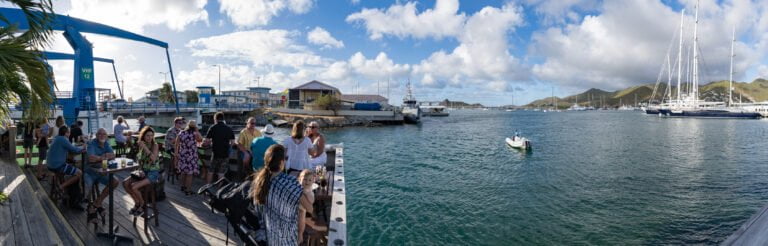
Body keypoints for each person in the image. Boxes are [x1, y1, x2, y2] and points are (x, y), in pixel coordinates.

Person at [250, 145, 313, 246]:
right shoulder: (289, 183)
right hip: (286, 239)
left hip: (269, 235)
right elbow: (310, 208)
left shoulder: (259, 181)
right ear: (281, 162)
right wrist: (307, 189)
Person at [123, 126, 161, 215]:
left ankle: (143, 204)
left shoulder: (154, 145)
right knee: (125, 183)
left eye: (151, 135)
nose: (150, 138)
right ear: (143, 136)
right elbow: (140, 161)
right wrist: (139, 169)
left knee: (133, 186)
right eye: (147, 135)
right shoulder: (142, 145)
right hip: (143, 172)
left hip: (153, 173)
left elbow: (153, 159)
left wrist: (145, 147)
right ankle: (137, 202)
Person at [84, 128, 119, 224]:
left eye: (104, 134)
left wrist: (99, 158)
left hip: (101, 172)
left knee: (115, 181)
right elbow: (91, 158)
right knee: (88, 188)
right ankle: (93, 208)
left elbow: (113, 155)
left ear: (107, 136)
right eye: (100, 134)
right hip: (90, 172)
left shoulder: (106, 143)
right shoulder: (92, 144)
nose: (102, 135)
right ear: (96, 135)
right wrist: (103, 157)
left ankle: (96, 204)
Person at [46, 126, 86, 192]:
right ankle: (60, 187)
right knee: (79, 173)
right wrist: (83, 148)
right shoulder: (63, 139)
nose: (70, 134)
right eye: (69, 132)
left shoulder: (56, 138)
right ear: (66, 133)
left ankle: (63, 189)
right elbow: (74, 150)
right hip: (57, 166)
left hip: (49, 165)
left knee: (63, 172)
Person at [204, 112, 234, 184]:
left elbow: (207, 141)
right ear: (223, 119)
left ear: (215, 119)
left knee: (210, 171)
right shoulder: (228, 128)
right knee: (221, 173)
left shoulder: (213, 127)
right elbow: (232, 142)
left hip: (215, 153)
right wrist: (229, 147)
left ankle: (207, 187)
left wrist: (210, 142)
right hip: (225, 154)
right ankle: (219, 190)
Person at [175, 120, 202, 195]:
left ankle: (183, 186)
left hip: (183, 154)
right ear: (194, 126)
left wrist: (176, 153)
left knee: (183, 172)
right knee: (190, 174)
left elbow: (177, 144)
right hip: (191, 156)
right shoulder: (194, 133)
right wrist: (197, 131)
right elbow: (200, 140)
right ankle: (188, 190)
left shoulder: (181, 132)